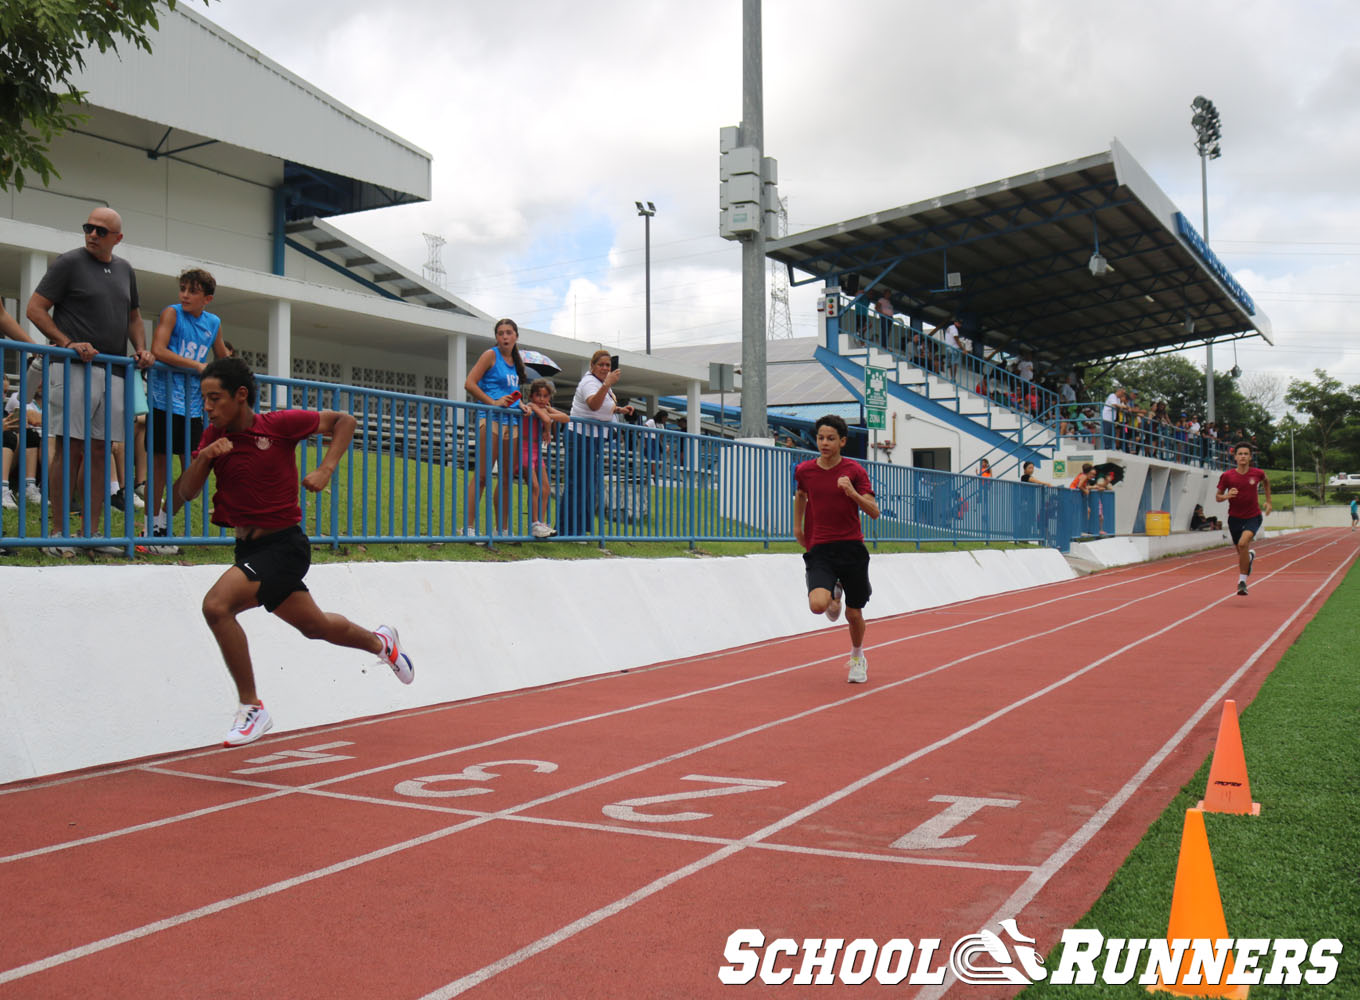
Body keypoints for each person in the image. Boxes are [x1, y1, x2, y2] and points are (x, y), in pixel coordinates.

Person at [173, 357, 414, 747]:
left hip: (285, 545)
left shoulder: (278, 425)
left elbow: (344, 422)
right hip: (247, 549)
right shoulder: (211, 437)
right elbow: (186, 492)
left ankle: (252, 707)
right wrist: (205, 457)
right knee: (315, 626)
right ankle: (381, 643)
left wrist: (325, 469)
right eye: (204, 399)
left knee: (217, 607)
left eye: (215, 398)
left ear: (240, 395)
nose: (208, 407)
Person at [26, 207, 154, 546]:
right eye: (88, 228)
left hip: (114, 370)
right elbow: (34, 308)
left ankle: (92, 533)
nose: (92, 235)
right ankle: (57, 533)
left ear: (118, 238)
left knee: (101, 450)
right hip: (74, 368)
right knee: (70, 448)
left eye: (100, 231)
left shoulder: (126, 269)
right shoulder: (68, 262)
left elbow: (134, 316)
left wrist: (141, 347)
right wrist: (66, 343)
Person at [145, 267, 230, 554]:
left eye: (192, 291)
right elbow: (158, 350)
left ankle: (165, 520)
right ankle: (151, 528)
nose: (184, 295)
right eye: (182, 288)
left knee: (196, 466)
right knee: (159, 464)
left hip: (194, 404)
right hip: (163, 399)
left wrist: (235, 374)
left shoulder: (213, 322)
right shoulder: (172, 312)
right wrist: (197, 366)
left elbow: (222, 356)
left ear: (207, 298)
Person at [793, 414, 881, 684]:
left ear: (842, 441)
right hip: (820, 548)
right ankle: (833, 593)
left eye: (831, 438)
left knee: (853, 613)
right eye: (820, 438)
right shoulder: (805, 470)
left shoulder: (854, 471)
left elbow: (875, 512)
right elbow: (801, 495)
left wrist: (852, 493)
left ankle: (857, 657)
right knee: (818, 606)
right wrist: (798, 527)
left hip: (852, 548)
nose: (824, 443)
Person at [557, 350, 633, 536]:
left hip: (594, 438)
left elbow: (604, 406)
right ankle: (567, 529)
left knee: (589, 484)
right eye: (601, 365)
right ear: (592, 366)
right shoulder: (591, 382)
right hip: (580, 436)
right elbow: (593, 404)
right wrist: (607, 384)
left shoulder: (601, 384)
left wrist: (619, 409)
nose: (605, 368)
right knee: (578, 483)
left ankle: (581, 528)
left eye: (608, 365)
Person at [463, 318, 527, 534]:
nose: (505, 336)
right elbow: (469, 383)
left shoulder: (517, 362)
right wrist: (493, 403)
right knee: (482, 475)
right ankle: (468, 527)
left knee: (507, 478)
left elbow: (508, 392)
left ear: (516, 336)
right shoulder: (490, 355)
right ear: (496, 337)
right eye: (501, 333)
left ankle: (503, 529)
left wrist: (522, 405)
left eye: (509, 332)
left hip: (513, 423)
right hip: (490, 419)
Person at [1215, 441, 1272, 597]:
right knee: (1242, 552)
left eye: (1246, 454)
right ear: (1235, 457)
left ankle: (1242, 582)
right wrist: (1227, 495)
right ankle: (1250, 558)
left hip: (1253, 516)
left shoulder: (1257, 473)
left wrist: (1268, 501)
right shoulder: (1227, 476)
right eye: (1240, 454)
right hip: (1234, 518)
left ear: (1250, 457)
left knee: (1243, 543)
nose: (1243, 457)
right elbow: (1217, 497)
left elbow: (1266, 481)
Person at [519, 377, 569, 538]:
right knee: (535, 486)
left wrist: (548, 411)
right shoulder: (530, 407)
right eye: (538, 395)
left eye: (545, 396)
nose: (541, 399)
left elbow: (566, 418)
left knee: (546, 488)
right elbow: (547, 419)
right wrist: (547, 422)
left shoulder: (543, 408)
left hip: (535, 452)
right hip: (524, 449)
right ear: (532, 396)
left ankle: (541, 523)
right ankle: (534, 522)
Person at [3, 373, 44, 508]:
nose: (3, 396)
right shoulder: (19, 398)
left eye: (4, 392)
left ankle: (29, 486)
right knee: (7, 436)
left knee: (27, 434)